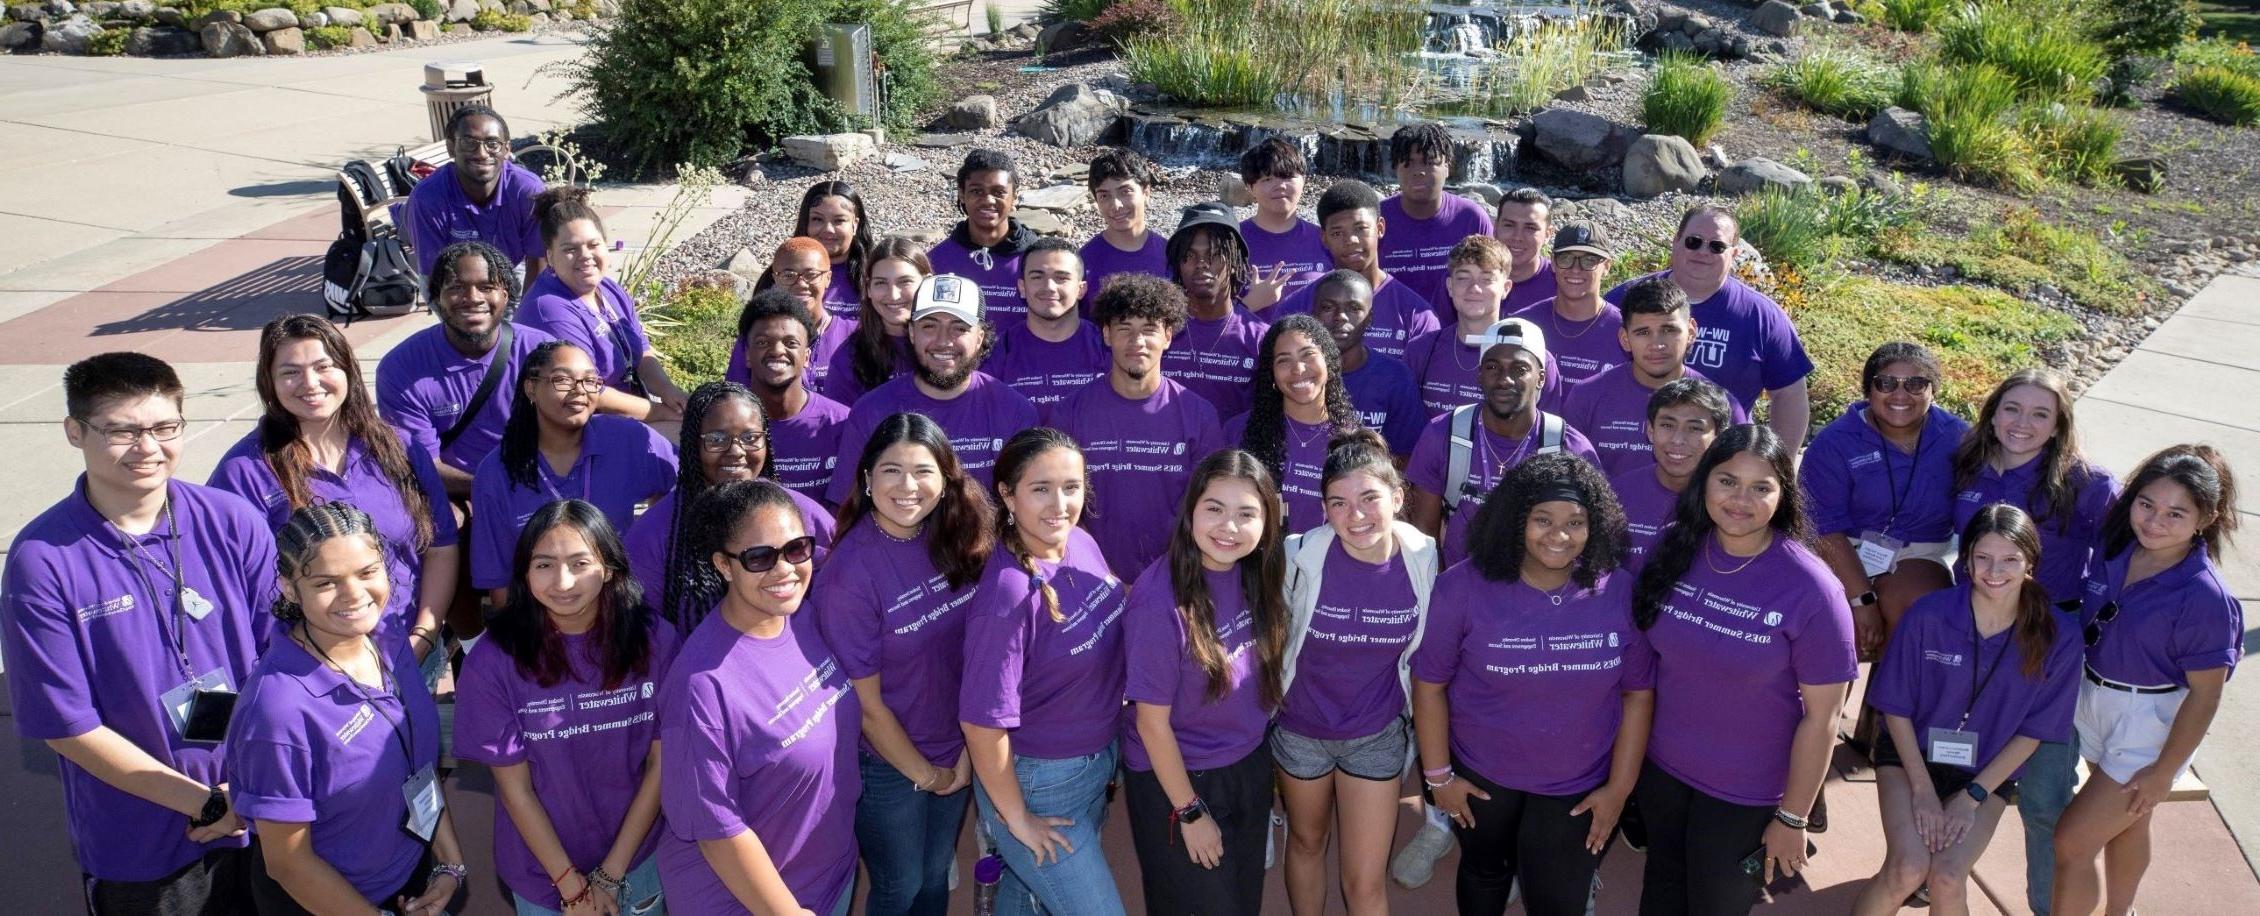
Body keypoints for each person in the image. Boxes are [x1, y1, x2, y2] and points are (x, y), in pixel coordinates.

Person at [2, 353, 272, 914]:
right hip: (141, 840)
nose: (148, 448)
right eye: (122, 430)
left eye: (164, 428)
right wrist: (205, 804)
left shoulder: (231, 520)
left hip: (263, 808)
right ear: (75, 431)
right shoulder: (44, 560)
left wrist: (250, 786)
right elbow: (68, 727)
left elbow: (282, 658)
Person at [1412, 454, 1652, 916]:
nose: (1559, 535)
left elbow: (1638, 694)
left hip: (1577, 784)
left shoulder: (1620, 591)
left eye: (1575, 522)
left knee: (1557, 900)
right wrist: (1439, 776)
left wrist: (1619, 789)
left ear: (1595, 525)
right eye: (1543, 519)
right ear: (1516, 519)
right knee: (1485, 872)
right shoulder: (1461, 587)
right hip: (1483, 776)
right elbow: (1429, 686)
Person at [1629, 425, 1856, 914]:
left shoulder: (1812, 589)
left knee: (1715, 903)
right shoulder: (1675, 547)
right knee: (1662, 891)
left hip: (1745, 791)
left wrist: (1793, 818)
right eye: (1728, 481)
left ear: (1783, 495)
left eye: (1761, 487)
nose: (1740, 500)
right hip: (1662, 772)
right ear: (1705, 481)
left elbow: (1825, 718)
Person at [229, 503, 465, 916]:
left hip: (411, 879)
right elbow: (289, 863)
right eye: (326, 582)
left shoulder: (389, 636)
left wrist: (448, 863)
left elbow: (417, 765)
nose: (355, 594)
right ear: (289, 588)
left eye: (367, 572)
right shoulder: (277, 712)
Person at [1947, 368, 2120, 915]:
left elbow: (2122, 559)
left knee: (2044, 798)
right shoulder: (1966, 466)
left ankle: (2047, 906)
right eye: (2012, 409)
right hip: (1974, 638)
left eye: (2040, 413)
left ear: (2059, 424)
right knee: (1958, 768)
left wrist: (2086, 628)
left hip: (2049, 648)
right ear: (1992, 412)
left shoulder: (2087, 485)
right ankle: (1938, 872)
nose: (2023, 424)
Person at [1853, 505, 2081, 916]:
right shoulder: (1929, 615)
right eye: (1983, 557)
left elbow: (2035, 731)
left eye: (2010, 559)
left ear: (2031, 561)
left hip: (1986, 773)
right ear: (1966, 560)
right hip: (1910, 758)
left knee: (1946, 876)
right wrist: (1923, 792)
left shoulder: (2058, 635)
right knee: (1907, 869)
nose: (1996, 571)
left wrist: (1972, 796)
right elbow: (1896, 710)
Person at [456, 500, 677, 916]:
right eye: (544, 565)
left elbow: (661, 766)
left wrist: (612, 873)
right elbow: (515, 789)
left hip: (638, 858)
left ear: (609, 568)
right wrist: (571, 886)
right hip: (543, 873)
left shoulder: (655, 640)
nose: (562, 581)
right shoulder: (494, 657)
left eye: (580, 563)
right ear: (524, 572)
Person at [812, 413, 995, 916]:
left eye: (923, 471)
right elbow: (867, 708)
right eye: (891, 470)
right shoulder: (849, 574)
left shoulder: (957, 539)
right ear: (867, 479)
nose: (908, 486)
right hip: (888, 763)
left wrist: (963, 752)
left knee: (935, 875)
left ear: (945, 480)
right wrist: (932, 776)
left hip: (954, 744)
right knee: (901, 886)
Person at [2052, 445, 2242, 916]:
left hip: (2147, 725)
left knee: (2072, 844)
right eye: (2147, 505)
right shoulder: (2118, 549)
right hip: (2093, 697)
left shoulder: (2204, 596)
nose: (2155, 522)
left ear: (2206, 518)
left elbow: (2206, 695)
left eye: (2176, 513)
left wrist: (2162, 773)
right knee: (2130, 824)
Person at [655, 480, 860, 915]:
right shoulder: (702, 685)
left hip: (828, 877)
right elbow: (717, 830)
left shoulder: (803, 619)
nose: (785, 569)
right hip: (751, 902)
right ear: (724, 566)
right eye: (760, 557)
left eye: (797, 549)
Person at [211, 315, 459, 661]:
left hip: (408, 652)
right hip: (313, 667)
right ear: (269, 383)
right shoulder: (245, 471)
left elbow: (440, 546)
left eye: (322, 366)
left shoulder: (398, 448)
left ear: (347, 371)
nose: (309, 383)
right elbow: (236, 585)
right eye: (290, 372)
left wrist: (424, 636)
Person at [960, 428, 1131, 916]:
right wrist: (1016, 819)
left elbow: (1115, 597)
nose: (1060, 504)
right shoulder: (1008, 596)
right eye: (1041, 489)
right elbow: (981, 723)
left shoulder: (1079, 542)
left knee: (1028, 899)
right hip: (1039, 788)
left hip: (1095, 763)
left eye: (1072, 487)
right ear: (1007, 494)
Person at [1275, 430, 1441, 916]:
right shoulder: (1296, 556)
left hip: (1377, 733)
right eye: (1339, 503)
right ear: (1324, 509)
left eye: (1370, 498)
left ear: (1397, 496)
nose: (1357, 516)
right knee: (1307, 843)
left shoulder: (1425, 558)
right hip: (1300, 729)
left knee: (1364, 882)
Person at [1123, 450, 1290, 916]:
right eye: (1214, 508)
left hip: (1247, 764)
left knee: (1241, 901)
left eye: (1246, 514)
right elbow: (1151, 726)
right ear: (1191, 510)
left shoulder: (1256, 574)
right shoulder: (1160, 601)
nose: (1229, 528)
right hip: (1181, 778)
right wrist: (1190, 812)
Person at [470, 341, 678, 604]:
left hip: (626, 610)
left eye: (591, 381)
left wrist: (652, 538)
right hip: (545, 620)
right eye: (563, 380)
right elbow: (500, 584)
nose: (580, 391)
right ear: (530, 388)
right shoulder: (497, 472)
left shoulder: (630, 439)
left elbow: (685, 487)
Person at [1804, 342, 1969, 663]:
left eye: (1916, 384)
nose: (1900, 394)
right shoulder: (1834, 443)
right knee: (1844, 624)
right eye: (1886, 383)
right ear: (1868, 390)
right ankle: (1830, 707)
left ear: (1934, 390)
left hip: (1919, 551)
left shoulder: (1958, 438)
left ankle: (1885, 708)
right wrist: (1862, 600)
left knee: (1917, 608)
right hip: (1840, 547)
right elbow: (1823, 527)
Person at [1053, 273, 1226, 578]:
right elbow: (1059, 504)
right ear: (1106, 334)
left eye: (1149, 329)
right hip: (1089, 579)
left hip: (1175, 579)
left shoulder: (1200, 415)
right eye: (1124, 329)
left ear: (1168, 336)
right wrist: (1095, 571)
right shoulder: (1070, 412)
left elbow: (1209, 504)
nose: (1137, 342)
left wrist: (1168, 578)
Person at [1605, 206, 1814, 447]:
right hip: (1627, 452)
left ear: (1734, 254)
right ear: (1675, 241)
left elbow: (1789, 395)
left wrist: (1781, 468)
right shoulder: (1624, 300)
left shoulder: (1762, 316)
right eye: (1694, 242)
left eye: (1716, 246)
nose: (1703, 252)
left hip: (1721, 467)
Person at [824, 274, 1039, 504]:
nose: (943, 340)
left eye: (959, 328)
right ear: (912, 333)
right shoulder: (871, 411)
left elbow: (1027, 508)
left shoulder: (1014, 411)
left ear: (979, 338)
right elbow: (849, 507)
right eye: (929, 326)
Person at [628, 381, 836, 617]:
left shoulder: (801, 512)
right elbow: (644, 631)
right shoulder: (655, 533)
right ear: (692, 444)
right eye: (716, 439)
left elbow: (839, 589)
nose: (736, 451)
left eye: (750, 438)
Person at [1407, 317, 1600, 566]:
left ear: (1541, 378)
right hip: (1461, 589)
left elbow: (1588, 537)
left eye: (1520, 369)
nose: (1504, 379)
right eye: (1492, 367)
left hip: (1535, 595)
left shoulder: (1569, 448)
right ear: (1479, 375)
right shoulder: (1444, 433)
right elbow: (1424, 534)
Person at [378, 240, 557, 498]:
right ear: (437, 298)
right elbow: (423, 468)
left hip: (542, 485)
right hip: (460, 493)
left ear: (505, 296)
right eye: (456, 288)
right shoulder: (401, 369)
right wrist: (499, 490)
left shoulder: (544, 351)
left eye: (486, 287)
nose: (473, 298)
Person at [519, 186, 690, 423]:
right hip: (578, 424)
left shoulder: (609, 289)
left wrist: (670, 393)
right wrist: (660, 413)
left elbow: (642, 352)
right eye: (570, 249)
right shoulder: (549, 310)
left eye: (593, 244)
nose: (585, 256)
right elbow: (586, 391)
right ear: (550, 257)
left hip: (628, 414)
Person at [1562, 275, 1744, 477]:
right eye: (1642, 332)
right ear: (1625, 339)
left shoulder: (1723, 405)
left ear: (1691, 332)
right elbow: (1570, 480)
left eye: (1669, 330)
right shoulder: (1586, 396)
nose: (1657, 344)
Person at [1274, 180, 1441, 364]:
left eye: (1360, 229)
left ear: (1380, 228)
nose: (1351, 240)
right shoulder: (1294, 309)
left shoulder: (1417, 316)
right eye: (1337, 233)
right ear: (1324, 238)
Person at [1226, 313, 1365, 528]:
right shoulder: (1238, 430)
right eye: (1284, 360)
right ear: (1271, 373)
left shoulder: (1355, 441)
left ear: (1328, 359)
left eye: (1308, 355)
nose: (1298, 369)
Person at [727, 290, 852, 504]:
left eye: (791, 343)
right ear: (747, 355)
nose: (777, 351)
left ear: (806, 357)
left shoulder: (842, 423)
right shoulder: (725, 422)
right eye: (763, 342)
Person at [405, 104, 545, 277]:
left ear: (507, 149)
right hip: (455, 280)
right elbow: (435, 278)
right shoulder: (427, 198)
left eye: (492, 143)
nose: (481, 153)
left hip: (513, 270)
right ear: (451, 147)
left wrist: (527, 305)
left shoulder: (527, 190)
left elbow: (538, 262)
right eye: (469, 143)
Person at [1610, 377, 1736, 568]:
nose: (1678, 440)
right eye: (1667, 425)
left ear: (1719, 437)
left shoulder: (1735, 505)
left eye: (1694, 428)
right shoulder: (1616, 494)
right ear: (1650, 431)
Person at [1164, 201, 1272, 421]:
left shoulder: (1261, 338)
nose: (1202, 264)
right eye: (1190, 255)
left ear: (1234, 262)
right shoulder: (1158, 330)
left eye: (1213, 255)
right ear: (1178, 264)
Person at [1377, 123, 1493, 318]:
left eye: (1429, 162)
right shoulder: (1377, 219)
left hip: (1455, 335)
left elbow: (1490, 283)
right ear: (1395, 168)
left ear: (1447, 166)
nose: (1418, 171)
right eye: (1408, 162)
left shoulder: (1471, 219)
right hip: (1391, 335)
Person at [1310, 269, 1429, 458]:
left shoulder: (1396, 377)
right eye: (1328, 307)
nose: (1340, 316)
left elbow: (1408, 457)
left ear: (1369, 318)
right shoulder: (1298, 374)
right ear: (1314, 315)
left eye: (1354, 308)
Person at [989, 236, 1107, 419]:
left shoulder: (1108, 345)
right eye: (1037, 276)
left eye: (1061, 278)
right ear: (1022, 286)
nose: (1049, 287)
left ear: (1081, 289)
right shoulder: (1000, 352)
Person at [928, 148, 1039, 323]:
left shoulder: (1039, 258)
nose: (988, 200)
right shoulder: (936, 262)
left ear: (1014, 197)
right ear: (961, 195)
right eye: (977, 191)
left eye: (998, 192)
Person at [735, 237, 858, 393]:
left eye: (811, 274)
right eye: (788, 275)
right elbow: (736, 395)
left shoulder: (854, 334)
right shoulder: (755, 337)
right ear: (775, 279)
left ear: (828, 278)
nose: (801, 284)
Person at [1406, 236, 1511, 417]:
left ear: (1506, 288)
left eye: (1487, 279)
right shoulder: (1421, 350)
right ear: (1450, 286)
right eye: (1463, 278)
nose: (1474, 288)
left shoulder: (1528, 356)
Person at [1511, 222, 1623, 386]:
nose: (1576, 269)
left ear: (1606, 266)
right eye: (1566, 258)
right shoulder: (1522, 325)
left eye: (1589, 260)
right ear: (1554, 262)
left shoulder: (1626, 330)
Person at [824, 236, 930, 405]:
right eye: (881, 283)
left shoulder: (947, 346)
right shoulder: (849, 356)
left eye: (905, 282)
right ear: (868, 288)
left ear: (927, 282)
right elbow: (837, 424)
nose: (893, 295)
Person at [1238, 137, 1331, 307]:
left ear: (1304, 180)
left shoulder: (1324, 239)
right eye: (1267, 179)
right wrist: (1250, 304)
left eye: (1287, 177)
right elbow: (1213, 318)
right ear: (1250, 188)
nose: (1280, 186)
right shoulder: (1233, 241)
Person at [1080, 149, 1171, 308]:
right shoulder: (1083, 262)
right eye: (1104, 196)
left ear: (1146, 192)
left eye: (1125, 192)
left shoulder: (1171, 254)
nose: (1116, 205)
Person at [792, 180, 876, 319]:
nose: (828, 230)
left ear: (855, 224)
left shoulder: (875, 274)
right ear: (805, 222)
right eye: (818, 219)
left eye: (839, 220)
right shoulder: (784, 274)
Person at [1492, 188, 1559, 315]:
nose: (1517, 237)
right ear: (1495, 228)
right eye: (1509, 225)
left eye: (1530, 228)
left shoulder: (1562, 283)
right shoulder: (1472, 281)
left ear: (1548, 234)